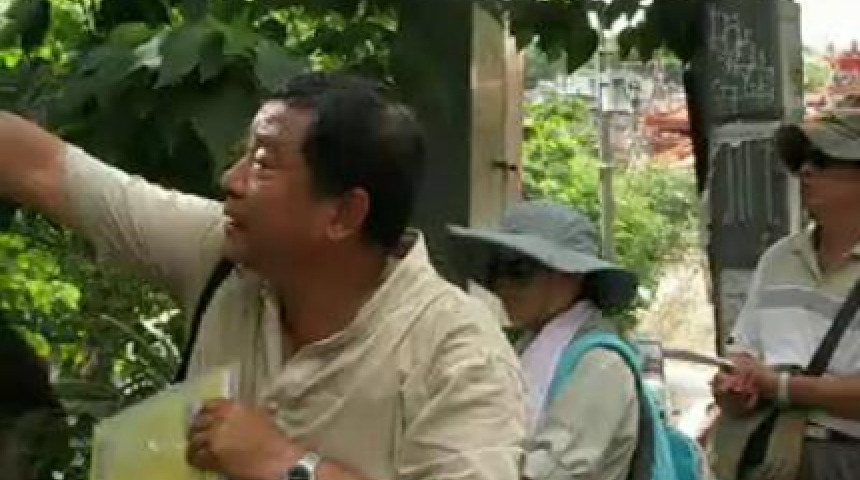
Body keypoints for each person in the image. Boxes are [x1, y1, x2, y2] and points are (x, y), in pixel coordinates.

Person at [0, 72, 527, 480]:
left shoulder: (456, 351)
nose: (230, 180)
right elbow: (47, 170)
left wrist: (286, 465)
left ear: (344, 213)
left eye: (264, 162)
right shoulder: (218, 252)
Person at [448, 200, 643, 480]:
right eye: (495, 271)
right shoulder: (526, 348)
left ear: (571, 277)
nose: (502, 285)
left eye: (518, 271)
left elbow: (549, 472)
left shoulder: (600, 366)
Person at [712, 114, 860, 479]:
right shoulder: (779, 259)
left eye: (822, 161)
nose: (805, 172)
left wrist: (780, 387)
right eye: (801, 162)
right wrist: (734, 386)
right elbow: (744, 351)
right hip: (770, 455)